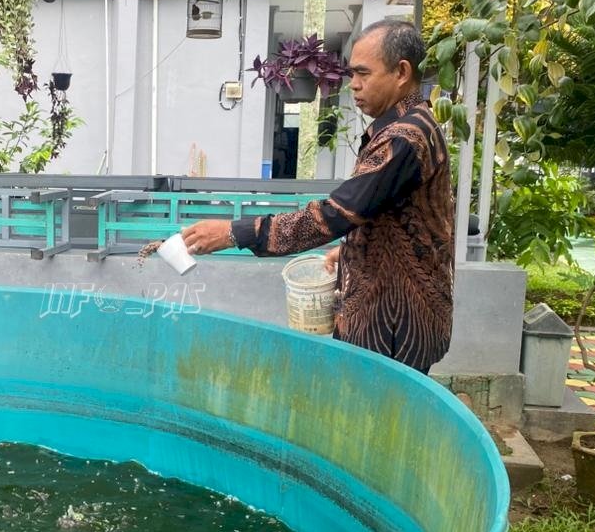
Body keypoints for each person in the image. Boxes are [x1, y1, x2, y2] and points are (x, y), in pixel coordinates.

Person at [180, 19, 454, 374]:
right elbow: (391, 210)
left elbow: (334, 214)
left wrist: (234, 233)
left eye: (363, 74)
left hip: (394, 322)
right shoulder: (416, 124)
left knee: (373, 422)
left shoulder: (404, 138)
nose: (353, 85)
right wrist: (356, 247)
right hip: (402, 311)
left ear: (401, 72)